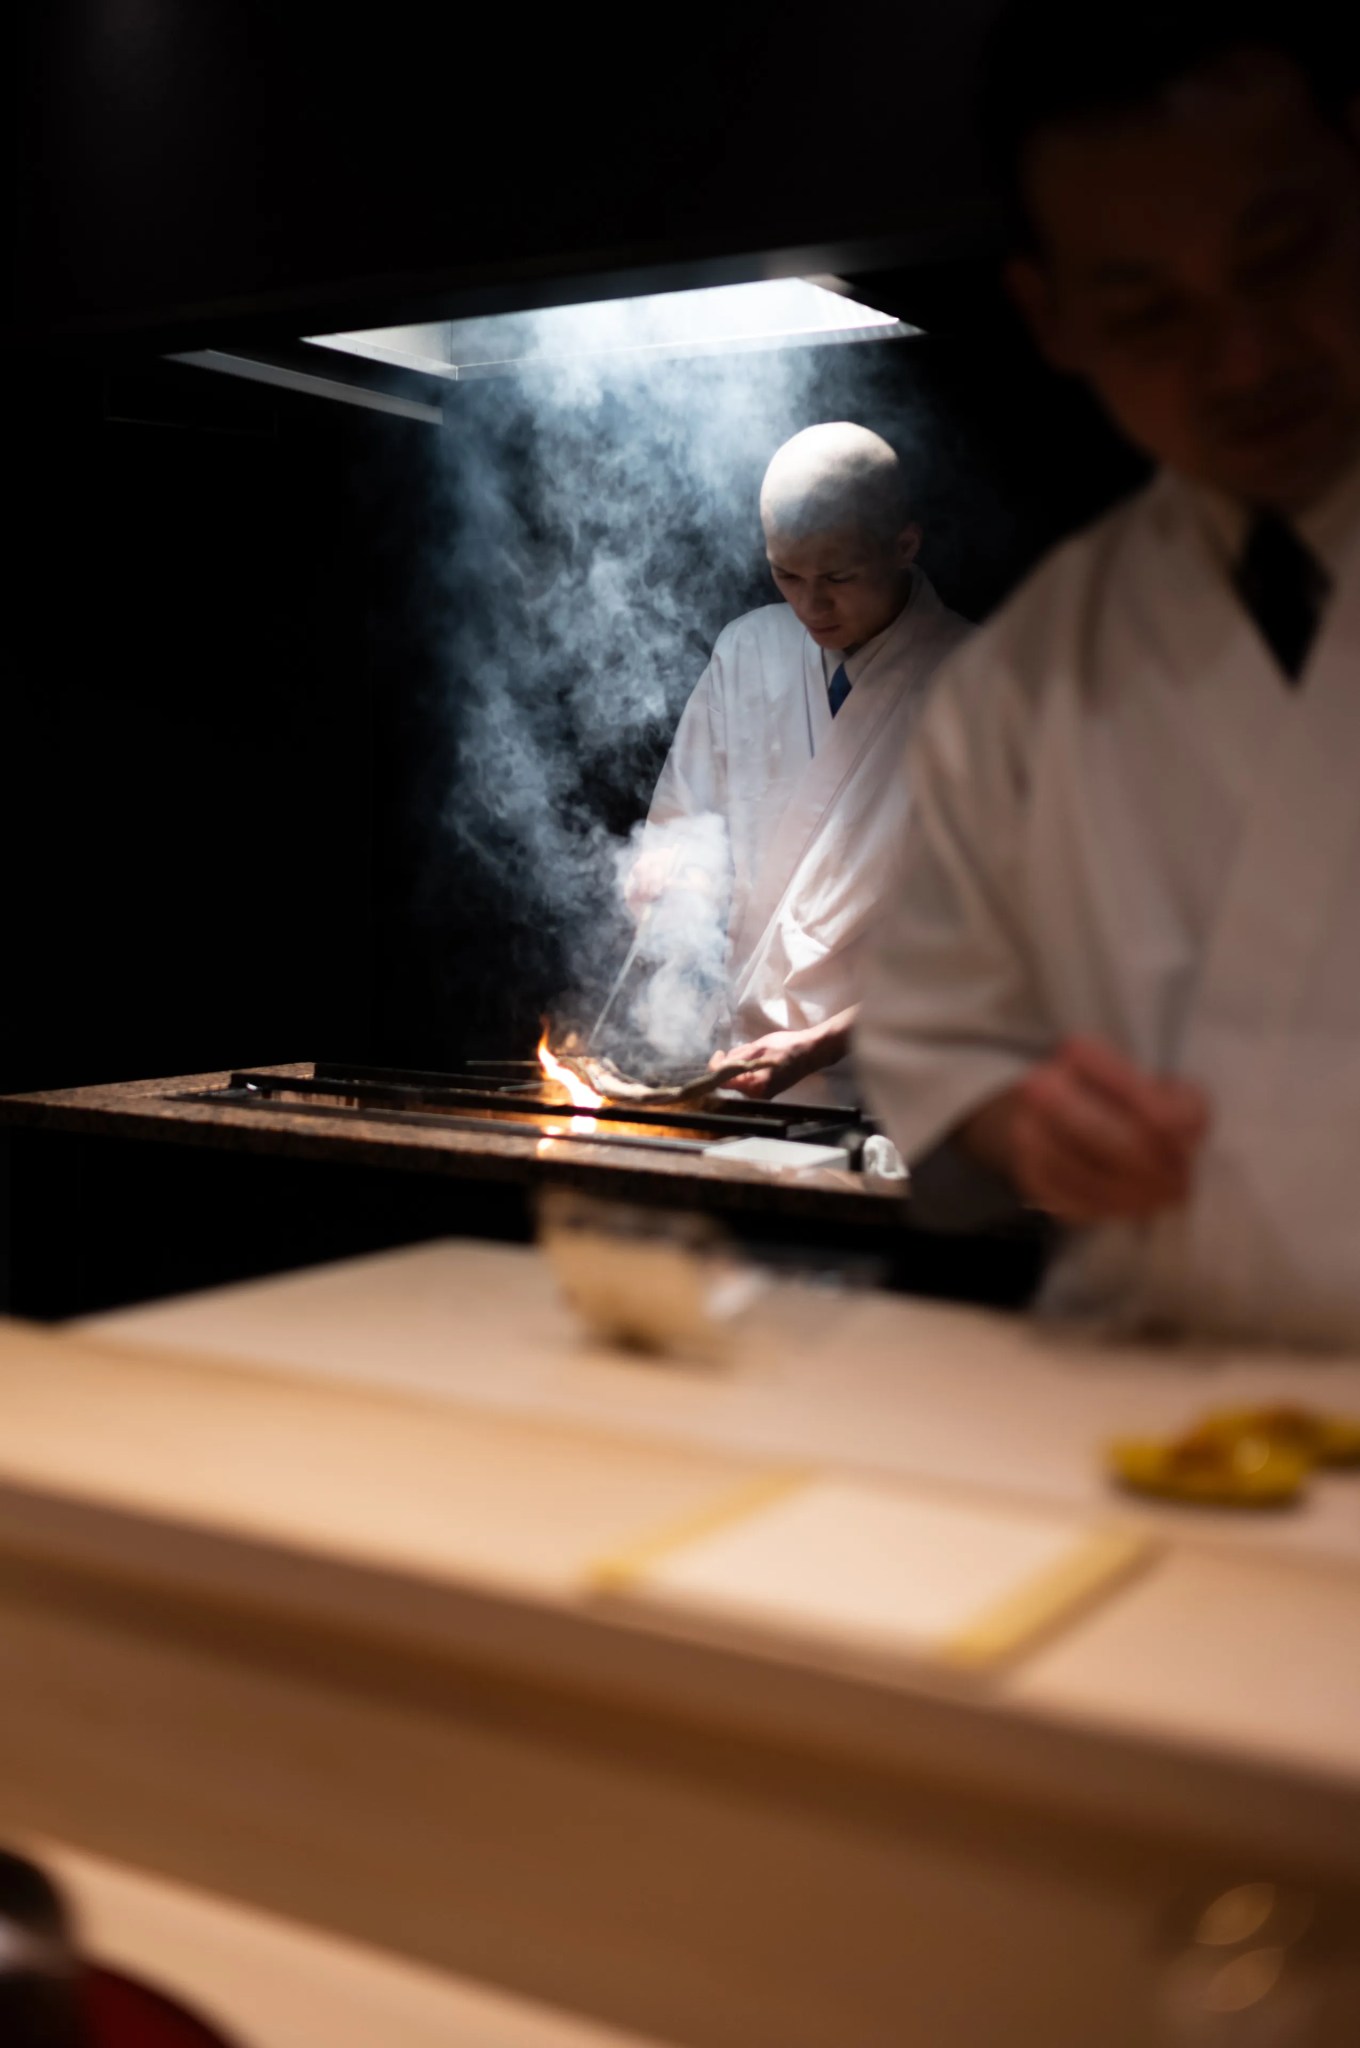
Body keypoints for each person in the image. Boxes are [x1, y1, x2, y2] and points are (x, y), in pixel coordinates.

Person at [859, 1, 1360, 1342]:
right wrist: (1021, 1121)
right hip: (1153, 1399)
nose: (1243, 359)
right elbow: (933, 1051)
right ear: (1054, 317)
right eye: (1149, 313)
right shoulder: (1023, 679)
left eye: (1281, 256)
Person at [630, 422, 970, 1100]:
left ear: (904, 545)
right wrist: (669, 881)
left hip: (893, 1088)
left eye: (838, 577)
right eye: (786, 574)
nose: (811, 604)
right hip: (739, 1068)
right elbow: (682, 827)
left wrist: (820, 1043)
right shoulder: (747, 650)